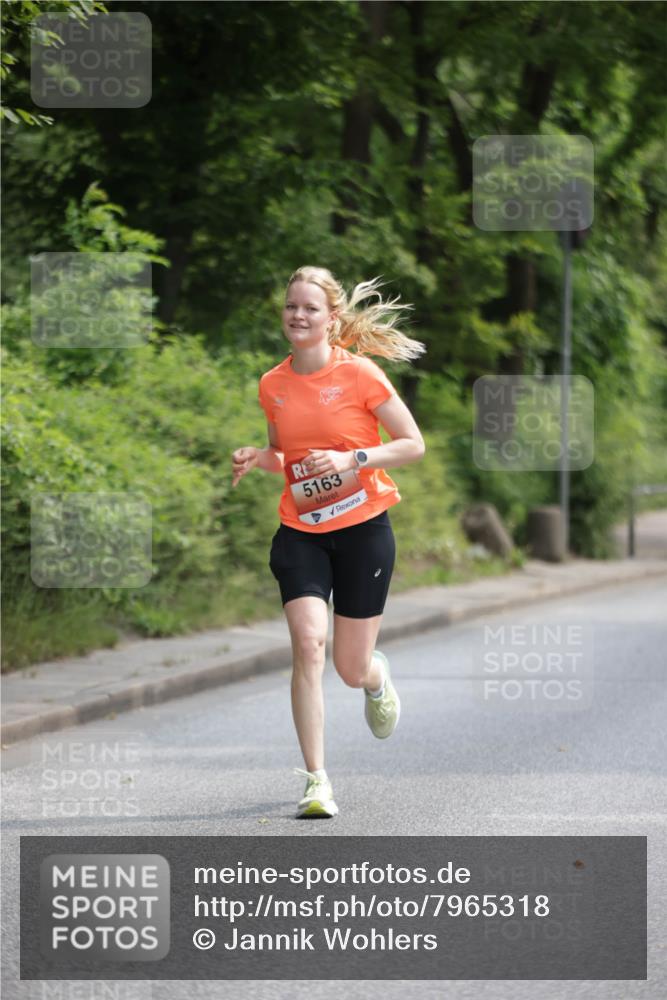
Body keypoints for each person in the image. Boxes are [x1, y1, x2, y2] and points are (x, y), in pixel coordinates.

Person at [231, 265, 426, 818]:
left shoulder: (360, 374)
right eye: (291, 306)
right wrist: (256, 456)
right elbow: (285, 457)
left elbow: (412, 445)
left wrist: (353, 458)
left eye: (310, 308)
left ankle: (375, 675)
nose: (298, 315)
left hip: (364, 529)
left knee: (348, 667)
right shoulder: (273, 384)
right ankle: (316, 780)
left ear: (331, 317)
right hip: (301, 532)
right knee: (307, 643)